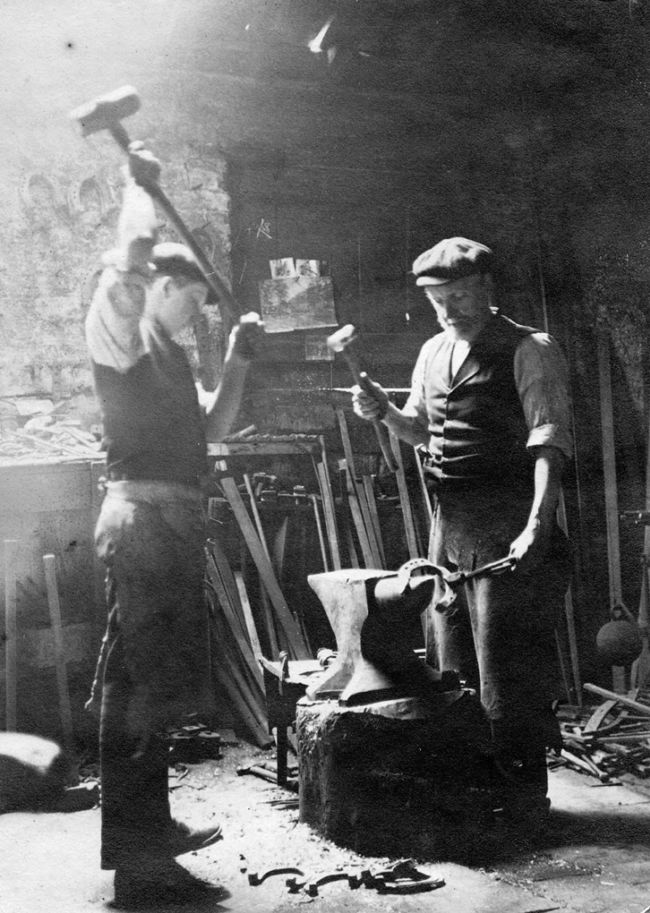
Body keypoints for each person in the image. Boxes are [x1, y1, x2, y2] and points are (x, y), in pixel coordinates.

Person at [85, 143, 264, 907]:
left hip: (174, 521)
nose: (193, 312)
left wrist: (235, 357)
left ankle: (147, 835)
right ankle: (138, 862)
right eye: (187, 300)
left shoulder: (170, 356)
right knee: (137, 688)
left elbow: (213, 427)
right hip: (143, 519)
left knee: (147, 683)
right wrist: (138, 187)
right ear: (155, 287)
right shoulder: (120, 332)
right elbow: (124, 265)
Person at [351, 236, 573, 826]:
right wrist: (385, 415)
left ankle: (527, 802)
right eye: (438, 300)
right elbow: (423, 432)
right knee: (453, 664)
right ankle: (477, 795)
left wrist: (536, 528)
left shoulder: (530, 349)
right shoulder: (431, 353)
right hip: (450, 529)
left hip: (508, 523)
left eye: (460, 296)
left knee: (507, 668)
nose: (450, 311)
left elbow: (550, 443)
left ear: (487, 290)